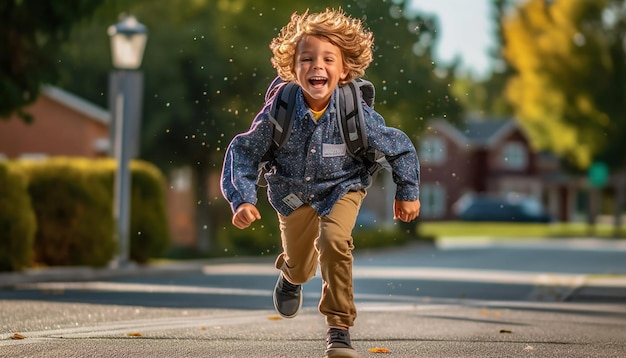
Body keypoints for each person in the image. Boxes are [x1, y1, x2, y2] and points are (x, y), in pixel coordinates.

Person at [220, 8, 421, 358]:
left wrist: (408, 191)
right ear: (292, 68)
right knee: (300, 264)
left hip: (343, 187)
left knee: (334, 241)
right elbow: (243, 150)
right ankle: (291, 276)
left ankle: (339, 328)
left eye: (329, 59)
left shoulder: (354, 111)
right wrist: (242, 199)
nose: (317, 66)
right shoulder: (278, 111)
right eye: (307, 58)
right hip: (292, 194)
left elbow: (399, 146)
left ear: (344, 70)